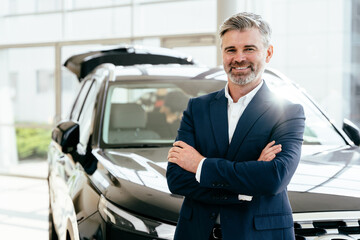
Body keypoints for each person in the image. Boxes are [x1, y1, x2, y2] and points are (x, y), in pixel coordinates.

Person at [166, 12, 305, 240]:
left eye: (249, 49)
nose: (239, 58)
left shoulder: (288, 113)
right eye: (231, 50)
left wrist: (200, 165)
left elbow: (273, 178)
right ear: (222, 54)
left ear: (268, 53)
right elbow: (177, 179)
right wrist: (247, 186)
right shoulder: (197, 108)